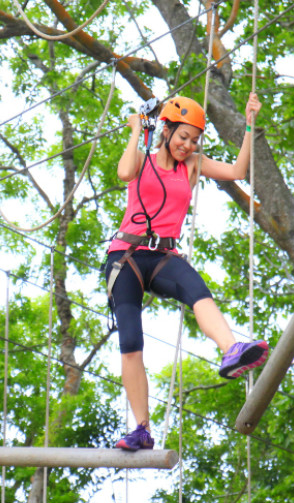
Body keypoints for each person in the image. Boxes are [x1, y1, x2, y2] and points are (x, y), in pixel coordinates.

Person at [106, 94, 269, 451]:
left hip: (164, 254)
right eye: (182, 137)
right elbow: (123, 172)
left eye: (194, 140)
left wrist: (250, 124)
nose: (188, 145)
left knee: (197, 291)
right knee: (131, 342)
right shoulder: (143, 159)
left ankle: (231, 350)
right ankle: (142, 429)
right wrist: (136, 130)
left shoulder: (191, 166)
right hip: (127, 256)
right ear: (165, 131)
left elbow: (237, 173)